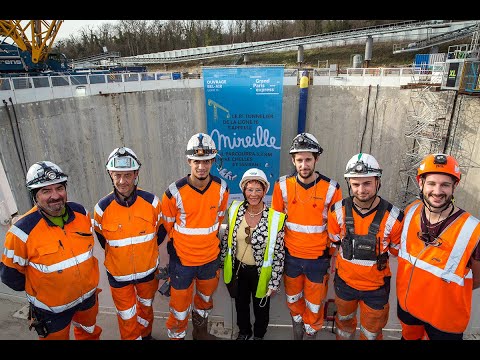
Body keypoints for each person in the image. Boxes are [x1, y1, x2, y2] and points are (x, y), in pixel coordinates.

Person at [0, 161, 102, 340]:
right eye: (46, 191)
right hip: (52, 312)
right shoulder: (21, 232)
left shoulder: (81, 213)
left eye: (59, 188)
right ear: (35, 195)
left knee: (89, 334)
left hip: (87, 301)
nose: (55, 196)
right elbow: (11, 277)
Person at [396, 153, 480, 340]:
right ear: (421, 184)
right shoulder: (411, 211)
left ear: (454, 187)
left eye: (445, 185)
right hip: (409, 308)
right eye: (432, 184)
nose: (437, 191)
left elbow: (477, 278)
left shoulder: (473, 230)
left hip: (445, 320)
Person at [271, 132, 343, 340]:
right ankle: (297, 334)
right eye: (300, 160)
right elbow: (276, 225)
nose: (304, 165)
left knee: (314, 303)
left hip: (318, 260)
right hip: (291, 257)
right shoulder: (281, 185)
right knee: (293, 300)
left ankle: (310, 334)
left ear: (316, 159)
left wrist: (330, 257)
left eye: (308, 159)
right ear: (293, 160)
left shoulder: (332, 188)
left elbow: (335, 229)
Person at [327, 153, 404, 340]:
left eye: (367, 183)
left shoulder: (394, 217)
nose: (361, 190)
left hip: (376, 290)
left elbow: (395, 250)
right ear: (349, 184)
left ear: (378, 181)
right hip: (344, 285)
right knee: (344, 327)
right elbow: (335, 242)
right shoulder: (337, 211)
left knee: (371, 333)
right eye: (355, 184)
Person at [161, 132, 229, 340]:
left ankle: (200, 335)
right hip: (183, 262)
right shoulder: (173, 193)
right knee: (179, 308)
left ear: (212, 161)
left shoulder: (222, 188)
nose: (202, 166)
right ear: (189, 160)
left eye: (207, 161)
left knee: (205, 301)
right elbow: (169, 226)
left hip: (209, 260)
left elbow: (217, 221)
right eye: (197, 161)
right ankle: (177, 336)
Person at [93, 147, 166, 340]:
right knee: (126, 316)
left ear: (136, 174)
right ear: (110, 173)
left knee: (146, 308)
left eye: (127, 175)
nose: (122, 181)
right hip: (118, 275)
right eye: (117, 175)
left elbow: (161, 232)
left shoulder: (152, 202)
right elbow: (102, 239)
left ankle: (146, 336)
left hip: (148, 272)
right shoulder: (101, 209)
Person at [221, 168, 286, 340]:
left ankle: (258, 335)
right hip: (238, 270)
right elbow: (227, 240)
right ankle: (244, 332)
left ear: (265, 191)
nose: (254, 194)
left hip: (260, 273)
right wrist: (221, 265)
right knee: (241, 305)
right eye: (250, 189)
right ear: (243, 190)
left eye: (258, 189)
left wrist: (273, 282)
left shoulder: (275, 218)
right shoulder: (235, 209)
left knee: (261, 308)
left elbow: (279, 254)